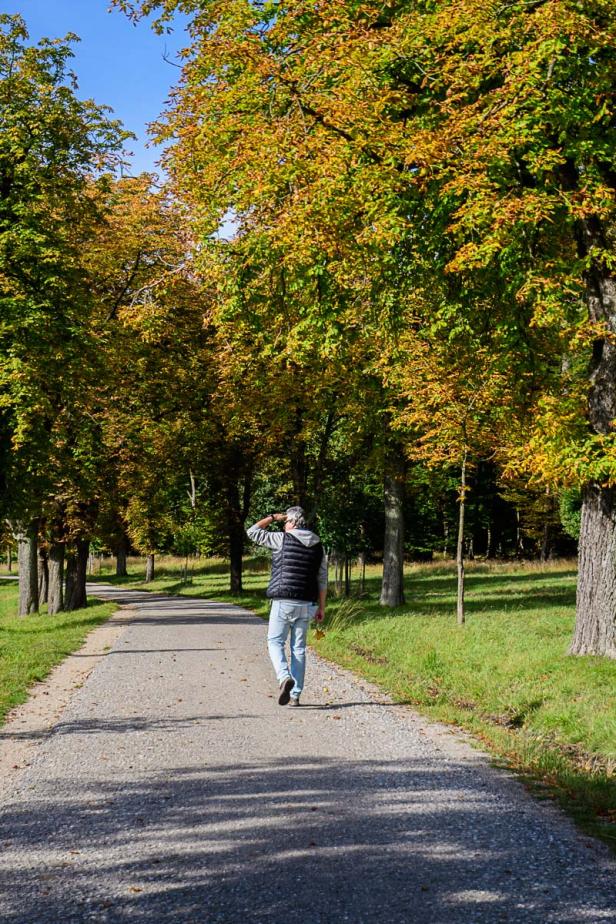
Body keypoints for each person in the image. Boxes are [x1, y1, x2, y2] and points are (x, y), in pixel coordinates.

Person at [247, 506, 327, 706]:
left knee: (274, 641)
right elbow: (323, 579)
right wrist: (321, 608)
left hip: (284, 600)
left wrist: (273, 517)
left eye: (285, 522)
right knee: (298, 649)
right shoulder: (319, 546)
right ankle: (296, 695)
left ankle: (284, 677)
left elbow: (252, 532)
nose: (283, 525)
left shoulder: (282, 539)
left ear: (292, 522)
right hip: (307, 603)